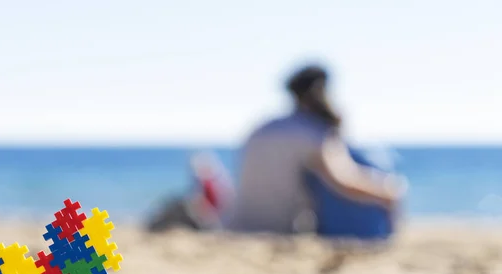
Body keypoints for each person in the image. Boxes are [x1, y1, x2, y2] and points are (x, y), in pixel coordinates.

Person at [225, 65, 406, 234]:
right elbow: (344, 181)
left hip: (235, 226)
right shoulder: (313, 133)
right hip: (276, 229)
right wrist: (389, 193)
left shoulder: (263, 127)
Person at [146, 151, 234, 232]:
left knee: (177, 206)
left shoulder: (208, 183)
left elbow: (207, 206)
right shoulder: (216, 182)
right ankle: (154, 225)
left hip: (208, 220)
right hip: (211, 219)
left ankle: (153, 226)